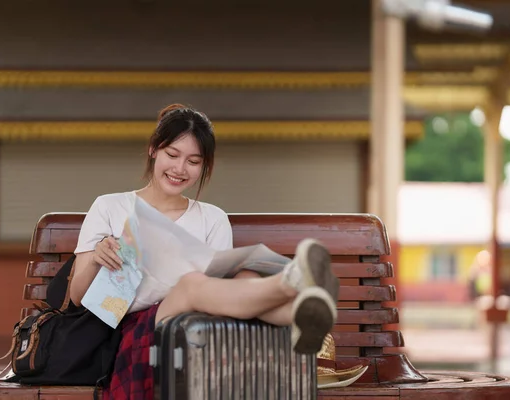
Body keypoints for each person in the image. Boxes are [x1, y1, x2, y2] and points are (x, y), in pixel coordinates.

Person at [70, 104, 339, 399]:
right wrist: (97, 258)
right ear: (153, 150)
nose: (179, 169)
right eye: (172, 155)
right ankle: (293, 283)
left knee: (242, 276)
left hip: (202, 326)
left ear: (204, 166)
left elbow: (223, 293)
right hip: (134, 328)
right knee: (191, 284)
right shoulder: (109, 206)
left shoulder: (212, 217)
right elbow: (77, 297)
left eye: (193, 161)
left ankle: (300, 311)